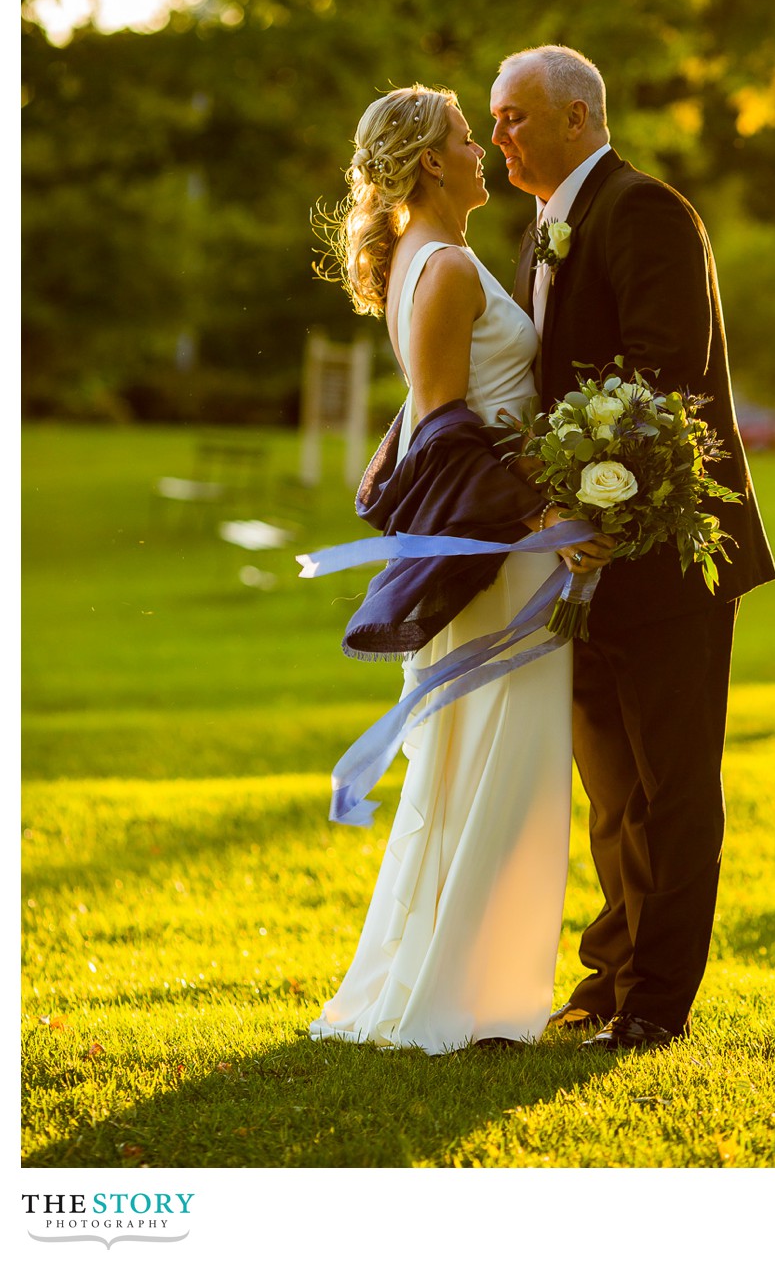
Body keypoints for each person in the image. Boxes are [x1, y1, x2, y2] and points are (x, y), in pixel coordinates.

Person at [307, 84, 610, 1055]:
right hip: (503, 557)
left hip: (506, 543)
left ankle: (472, 983)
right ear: (433, 162)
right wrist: (549, 511)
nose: (485, 151)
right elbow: (445, 429)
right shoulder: (439, 269)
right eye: (468, 139)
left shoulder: (429, 260)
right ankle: (461, 996)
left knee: (490, 764)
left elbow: (432, 414)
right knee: (497, 765)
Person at [491, 45, 775, 1052]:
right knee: (611, 789)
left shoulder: (646, 209)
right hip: (575, 564)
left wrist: (606, 510)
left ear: (579, 115)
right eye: (494, 118)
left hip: (666, 554)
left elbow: (670, 380)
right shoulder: (537, 234)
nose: (500, 137)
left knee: (671, 785)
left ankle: (658, 1001)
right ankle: (609, 977)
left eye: (517, 116)